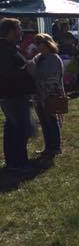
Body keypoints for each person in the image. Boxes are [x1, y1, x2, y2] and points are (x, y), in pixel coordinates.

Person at [0, 19, 31, 171]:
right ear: (11, 31)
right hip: (13, 95)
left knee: (12, 128)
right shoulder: (5, 49)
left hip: (12, 95)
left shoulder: (9, 47)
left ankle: (12, 161)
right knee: (20, 129)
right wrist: (26, 68)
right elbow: (7, 73)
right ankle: (20, 163)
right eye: (19, 29)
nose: (21, 32)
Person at [30, 34, 63, 160]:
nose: (37, 45)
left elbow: (50, 76)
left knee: (52, 121)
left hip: (51, 95)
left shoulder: (53, 58)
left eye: (39, 43)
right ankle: (48, 147)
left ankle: (55, 147)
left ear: (47, 44)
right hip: (38, 95)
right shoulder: (38, 58)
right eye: (36, 43)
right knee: (44, 122)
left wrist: (34, 72)